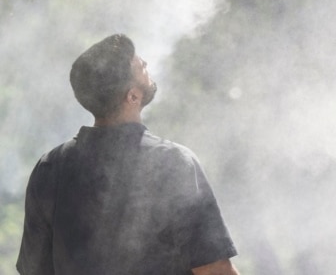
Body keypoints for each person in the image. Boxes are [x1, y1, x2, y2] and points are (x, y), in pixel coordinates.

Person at [16, 34, 239, 275]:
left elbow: (34, 270)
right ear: (132, 96)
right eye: (140, 65)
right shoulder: (173, 163)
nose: (145, 63)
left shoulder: (50, 168)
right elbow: (216, 270)